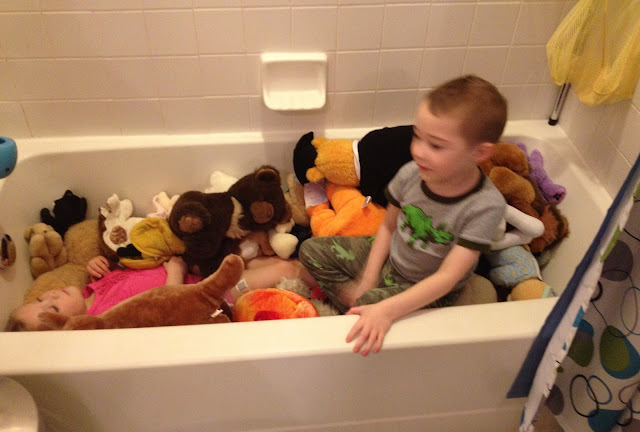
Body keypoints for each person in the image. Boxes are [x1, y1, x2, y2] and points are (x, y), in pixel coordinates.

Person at [298, 75, 508, 356]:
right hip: (391, 259)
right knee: (309, 250)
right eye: (417, 136)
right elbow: (387, 227)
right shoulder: (412, 173)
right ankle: (360, 303)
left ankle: (363, 308)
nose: (418, 151)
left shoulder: (485, 206)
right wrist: (367, 279)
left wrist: (385, 309)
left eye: (436, 145)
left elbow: (447, 277)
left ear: (480, 152)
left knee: (368, 311)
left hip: (428, 287)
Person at [7, 253, 305, 332]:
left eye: (40, 299)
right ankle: (315, 281)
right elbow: (165, 312)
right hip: (211, 296)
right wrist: (175, 270)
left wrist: (101, 264)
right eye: (53, 309)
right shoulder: (106, 319)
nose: (51, 295)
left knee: (264, 259)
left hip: (202, 273)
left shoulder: (91, 289)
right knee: (284, 270)